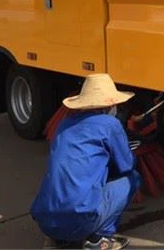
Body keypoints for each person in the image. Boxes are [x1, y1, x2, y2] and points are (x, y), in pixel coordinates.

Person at [31, 74, 140, 250]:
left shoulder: (64, 124)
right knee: (132, 179)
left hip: (45, 221)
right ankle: (100, 239)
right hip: (80, 219)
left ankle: (58, 240)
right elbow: (126, 165)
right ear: (110, 105)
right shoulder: (110, 124)